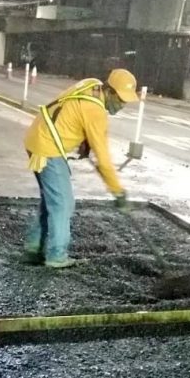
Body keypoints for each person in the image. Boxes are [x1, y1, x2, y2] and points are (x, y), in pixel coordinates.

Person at [23, 69, 139, 268]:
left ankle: (34, 248)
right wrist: (118, 191)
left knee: (52, 201)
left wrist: (84, 142)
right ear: (109, 91)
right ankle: (56, 255)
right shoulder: (96, 112)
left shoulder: (91, 84)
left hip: (37, 137)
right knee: (63, 204)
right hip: (47, 148)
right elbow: (104, 159)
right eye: (120, 100)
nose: (122, 105)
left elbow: (71, 109)